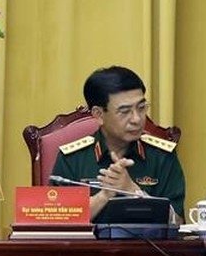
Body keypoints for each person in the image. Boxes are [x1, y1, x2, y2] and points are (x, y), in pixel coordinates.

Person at [51, 66, 186, 222]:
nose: (136, 119)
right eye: (125, 111)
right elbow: (58, 223)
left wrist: (134, 192)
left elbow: (177, 223)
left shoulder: (162, 156)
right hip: (88, 247)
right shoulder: (72, 159)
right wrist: (105, 195)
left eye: (141, 108)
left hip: (147, 247)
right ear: (98, 114)